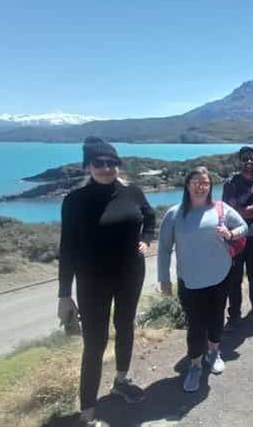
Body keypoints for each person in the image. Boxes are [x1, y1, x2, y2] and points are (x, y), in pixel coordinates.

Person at [57, 137, 155, 426]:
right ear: (87, 166)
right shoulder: (74, 201)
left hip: (130, 275)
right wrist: (64, 294)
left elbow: (149, 217)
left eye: (111, 163)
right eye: (98, 163)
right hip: (92, 282)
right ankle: (87, 410)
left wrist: (146, 241)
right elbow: (67, 249)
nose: (105, 168)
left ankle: (121, 381)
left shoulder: (132, 193)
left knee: (125, 326)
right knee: (95, 342)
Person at [157, 167, 248, 393]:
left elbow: (243, 226)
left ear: (210, 186)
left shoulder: (220, 208)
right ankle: (195, 365)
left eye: (205, 182)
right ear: (187, 185)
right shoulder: (174, 214)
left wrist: (231, 234)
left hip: (219, 276)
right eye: (196, 181)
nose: (201, 186)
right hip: (190, 281)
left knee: (217, 318)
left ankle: (214, 352)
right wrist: (164, 279)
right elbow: (163, 250)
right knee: (195, 326)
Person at [222, 146, 253, 328]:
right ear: (239, 160)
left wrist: (248, 210)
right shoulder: (230, 183)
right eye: (245, 159)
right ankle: (234, 315)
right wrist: (251, 210)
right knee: (234, 278)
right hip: (236, 238)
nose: (249, 162)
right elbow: (226, 211)